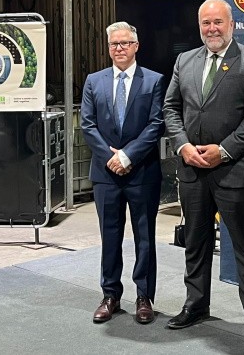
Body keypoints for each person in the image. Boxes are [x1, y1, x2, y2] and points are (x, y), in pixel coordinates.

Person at [163, 0, 244, 344]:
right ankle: (196, 305)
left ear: (232, 25)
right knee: (195, 243)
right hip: (192, 170)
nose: (212, 29)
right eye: (206, 23)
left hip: (235, 171)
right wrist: (183, 145)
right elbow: (171, 108)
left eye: (218, 22)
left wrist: (223, 151)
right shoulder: (184, 60)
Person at [80, 21, 165, 325]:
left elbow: (156, 124)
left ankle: (144, 297)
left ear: (136, 46)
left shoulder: (154, 81)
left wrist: (128, 156)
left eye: (125, 43)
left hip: (142, 172)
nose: (119, 48)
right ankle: (110, 295)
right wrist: (112, 158)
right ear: (109, 48)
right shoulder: (94, 81)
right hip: (106, 175)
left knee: (145, 238)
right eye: (114, 44)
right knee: (110, 237)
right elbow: (87, 124)